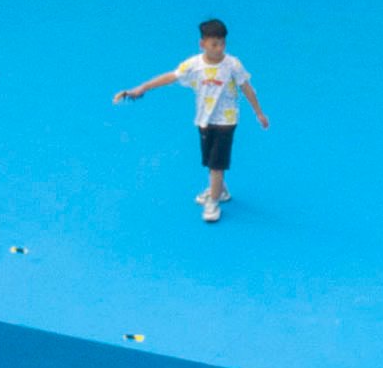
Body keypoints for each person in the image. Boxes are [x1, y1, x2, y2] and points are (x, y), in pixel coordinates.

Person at [115, 16, 269, 218]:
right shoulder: (193, 65)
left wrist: (258, 112)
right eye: (214, 44)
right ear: (202, 44)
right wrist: (142, 87)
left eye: (222, 43)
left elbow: (247, 88)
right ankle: (220, 190)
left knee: (216, 165)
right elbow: (171, 76)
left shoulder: (233, 65)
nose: (219, 48)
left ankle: (213, 203)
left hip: (226, 122)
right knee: (210, 161)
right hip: (204, 120)